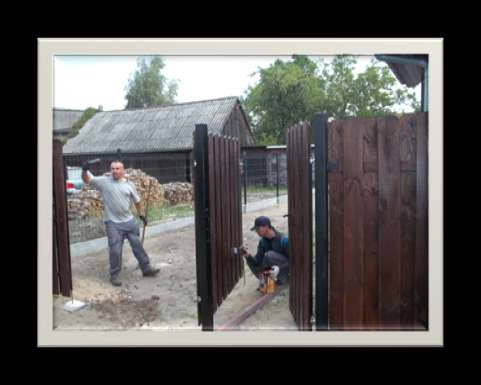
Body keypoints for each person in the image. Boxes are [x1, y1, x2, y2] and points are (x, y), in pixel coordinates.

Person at [81, 160, 160, 286]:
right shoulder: (104, 182)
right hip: (112, 223)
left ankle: (146, 269)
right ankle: (114, 275)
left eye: (118, 168)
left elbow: (137, 201)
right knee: (115, 250)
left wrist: (141, 215)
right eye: (113, 168)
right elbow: (87, 180)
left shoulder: (130, 185)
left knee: (137, 246)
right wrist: (84, 170)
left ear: (123, 171)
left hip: (129, 222)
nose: (115, 171)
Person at [239, 216, 289, 288]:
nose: (256, 231)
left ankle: (279, 281)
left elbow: (294, 261)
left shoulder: (284, 240)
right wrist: (247, 255)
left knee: (269, 255)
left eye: (258, 228)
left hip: (285, 271)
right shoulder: (263, 242)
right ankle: (267, 285)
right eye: (255, 229)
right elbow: (257, 262)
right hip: (274, 271)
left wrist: (279, 268)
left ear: (266, 227)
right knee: (252, 263)